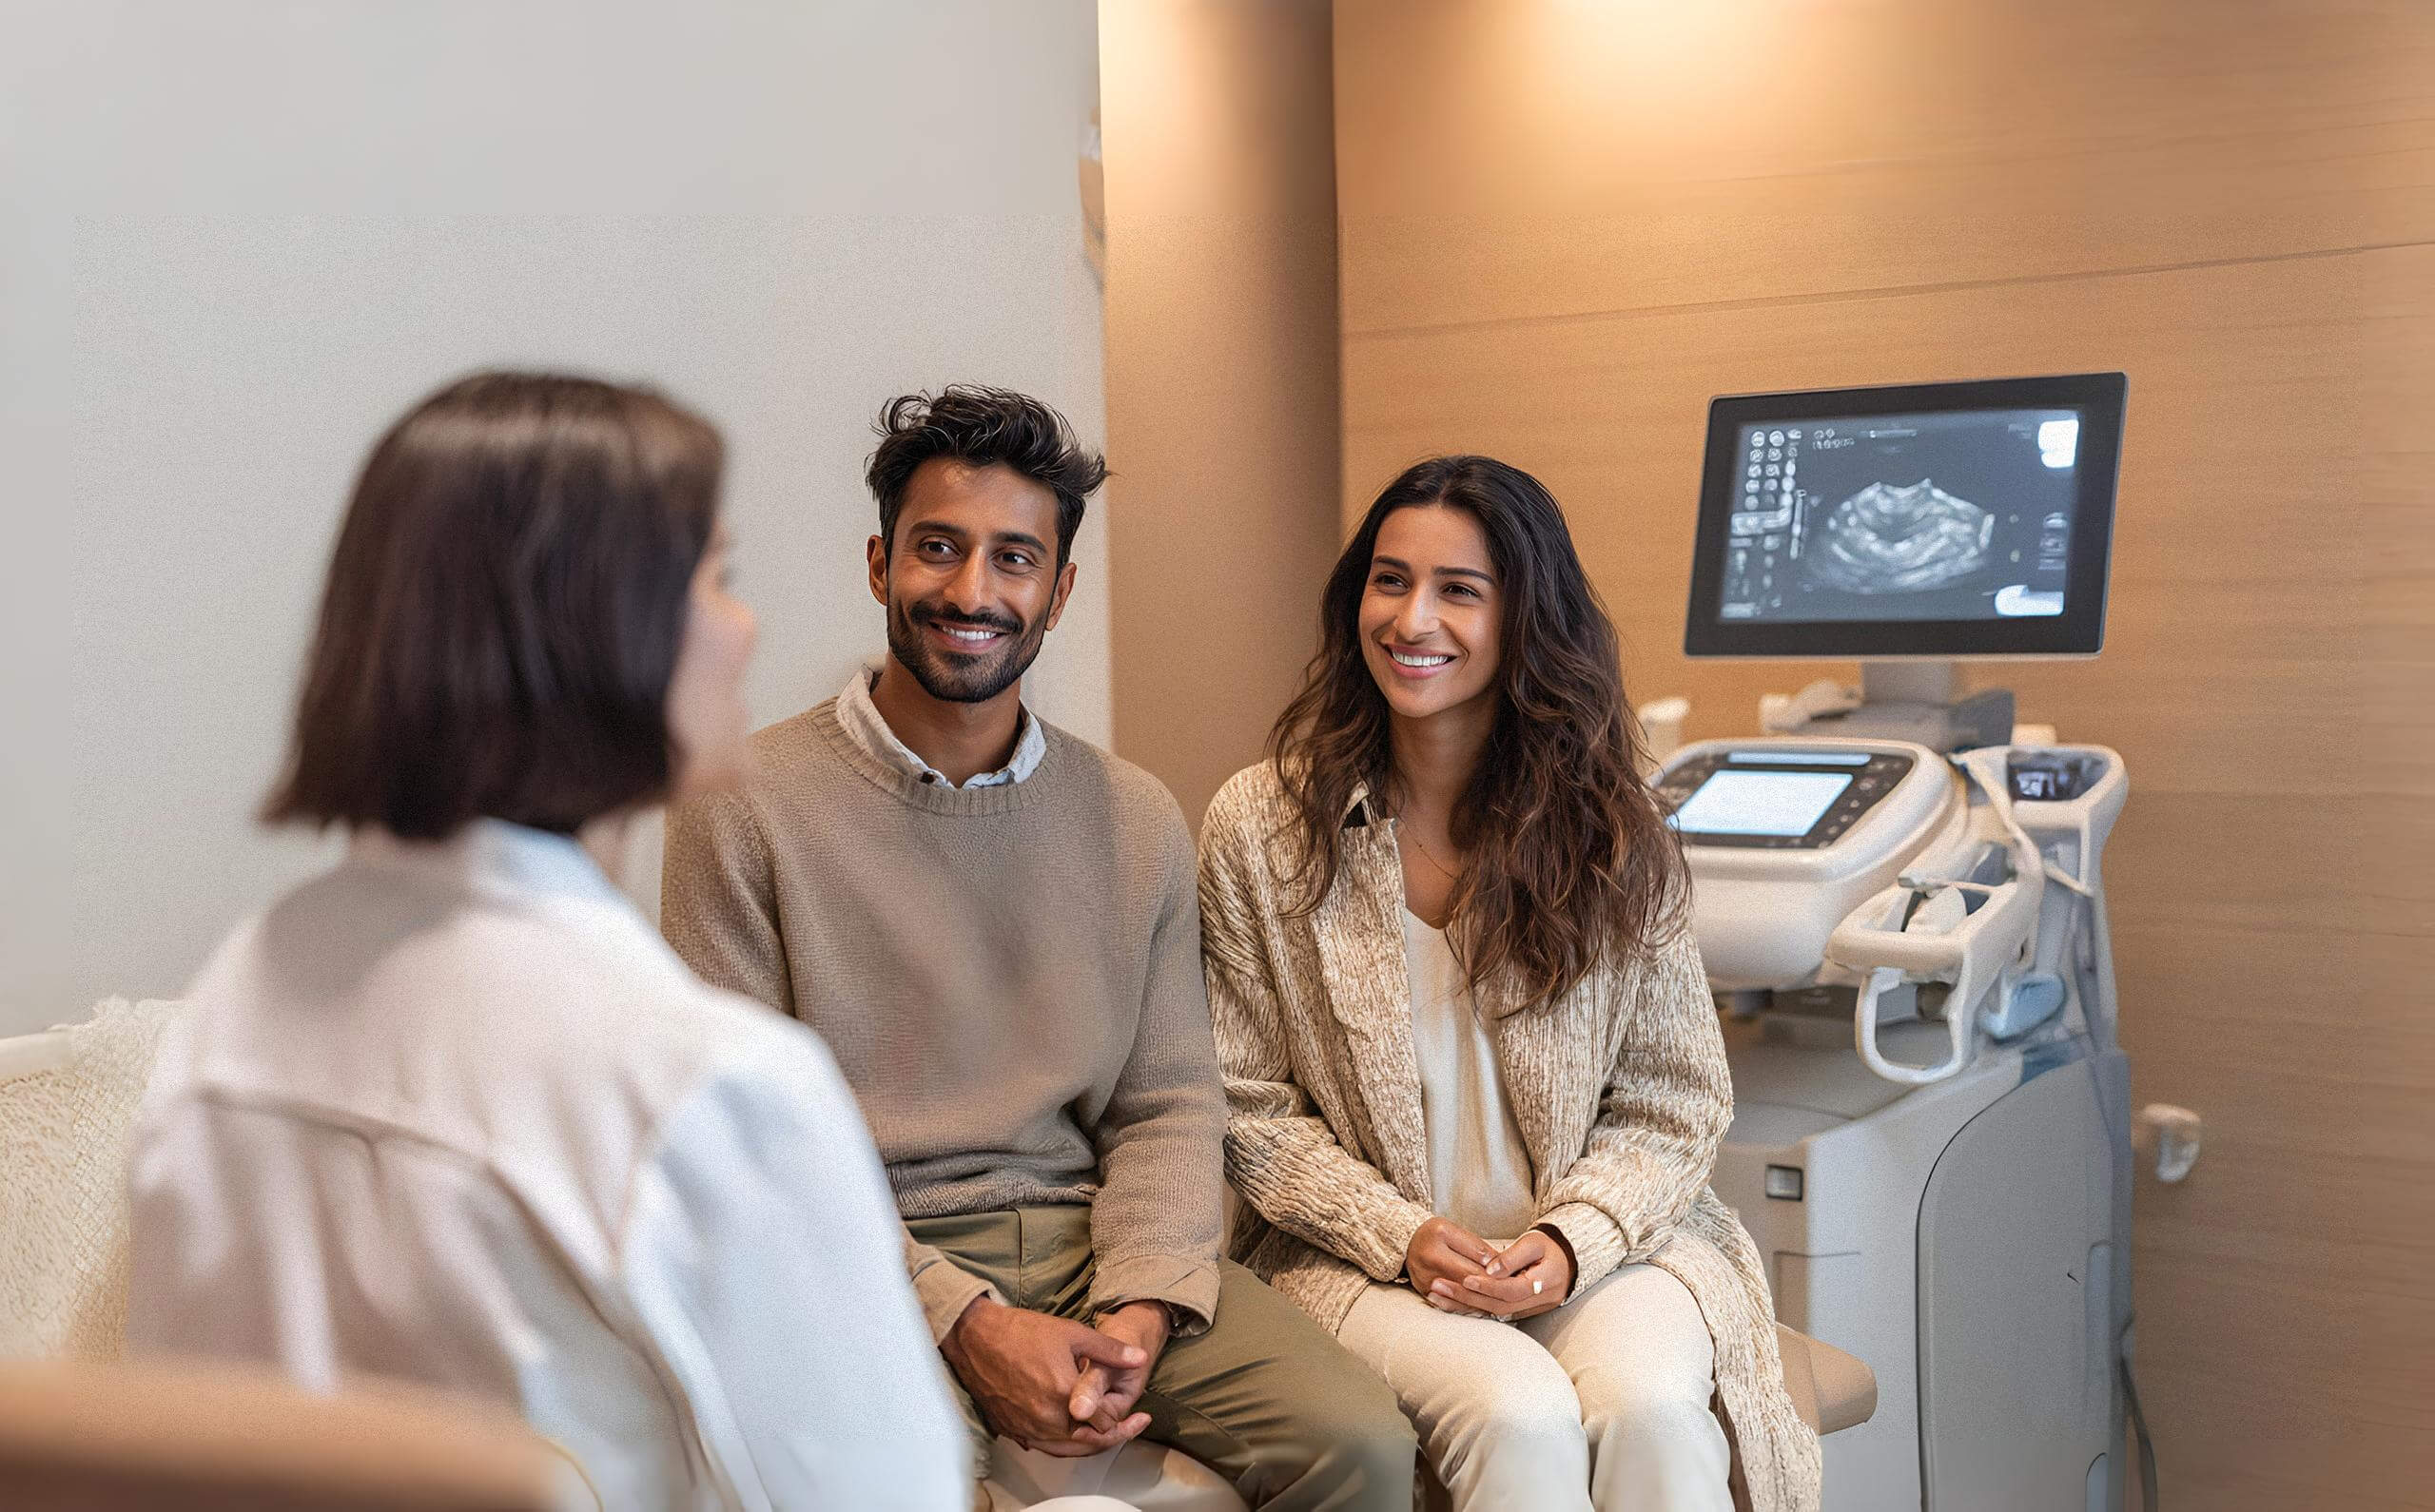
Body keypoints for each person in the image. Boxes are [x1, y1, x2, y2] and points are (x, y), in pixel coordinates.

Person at [127, 372, 967, 1510]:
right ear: (599, 630)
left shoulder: (238, 1001)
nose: (745, 625)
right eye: (716, 579)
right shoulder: (710, 1084)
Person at [660, 386, 1418, 1512]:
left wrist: (1142, 1305)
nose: (972, 592)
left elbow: (1166, 1102)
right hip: (856, 1261)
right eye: (937, 550)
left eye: (1014, 559)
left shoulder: (1134, 816)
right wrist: (962, 1322)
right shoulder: (742, 805)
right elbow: (743, 1151)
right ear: (879, 566)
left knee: (1360, 1444)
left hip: (1084, 1240)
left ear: (1058, 592)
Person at [1197, 456, 1824, 1512]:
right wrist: (1398, 1236)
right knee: (1518, 1412)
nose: (1412, 619)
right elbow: (1247, 1111)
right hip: (1356, 1262)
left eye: (1459, 590)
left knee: (1652, 1413)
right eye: (1389, 581)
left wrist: (1568, 1244)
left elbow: (1674, 1104)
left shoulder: (1617, 834)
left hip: (1601, 1251)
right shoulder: (1261, 827)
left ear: (1526, 617)